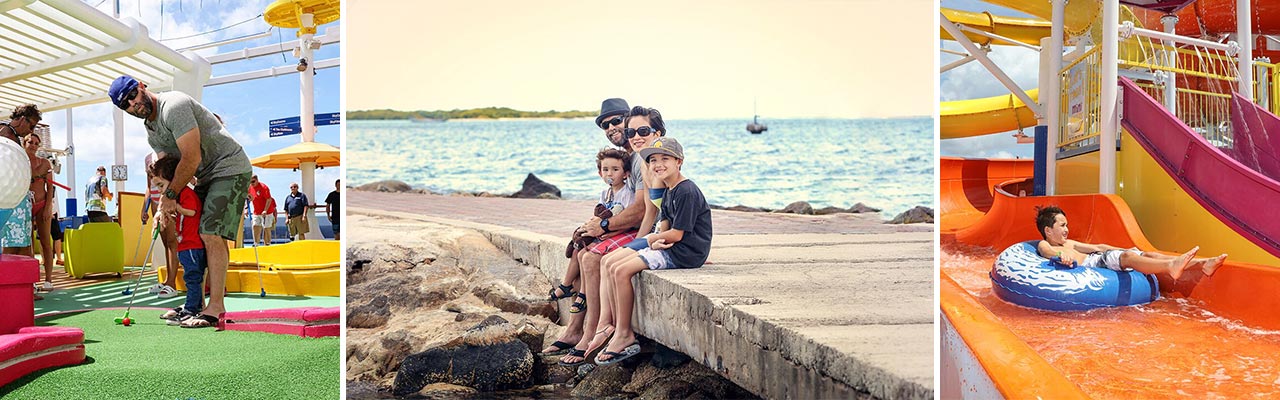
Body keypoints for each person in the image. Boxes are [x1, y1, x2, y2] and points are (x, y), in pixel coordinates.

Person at [109, 75, 253, 328]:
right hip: (204, 178)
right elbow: (167, 171)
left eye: (132, 95)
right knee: (199, 235)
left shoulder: (173, 106)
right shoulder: (151, 131)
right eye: (126, 105)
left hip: (229, 167)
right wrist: (161, 208)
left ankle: (216, 306)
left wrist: (170, 197)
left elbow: (191, 157)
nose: (133, 105)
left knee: (211, 232)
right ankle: (194, 305)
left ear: (142, 85)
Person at [595, 137, 713, 365]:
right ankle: (614, 326)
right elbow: (667, 224)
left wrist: (654, 240)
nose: (658, 164)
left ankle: (624, 334)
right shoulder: (669, 187)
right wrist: (656, 240)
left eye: (665, 159)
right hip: (668, 244)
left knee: (621, 271)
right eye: (653, 160)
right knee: (610, 262)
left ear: (679, 161)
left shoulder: (686, 191)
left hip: (684, 252)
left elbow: (678, 235)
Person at [1034, 206, 1226, 280]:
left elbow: (1099, 248)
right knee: (1126, 258)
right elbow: (1047, 253)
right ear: (1048, 230)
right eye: (1062, 225)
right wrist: (1061, 255)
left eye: (1067, 225)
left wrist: (1127, 249)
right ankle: (1171, 266)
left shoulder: (1071, 243)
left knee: (1148, 255)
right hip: (1093, 265)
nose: (1067, 229)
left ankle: (1203, 264)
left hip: (1100, 258)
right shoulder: (1047, 245)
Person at [552, 148, 634, 319]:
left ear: (626, 173)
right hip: (605, 230)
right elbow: (599, 215)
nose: (609, 173)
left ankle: (582, 293)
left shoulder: (627, 194)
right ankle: (567, 285)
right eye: (605, 170)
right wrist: (587, 227)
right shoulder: (605, 193)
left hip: (619, 232)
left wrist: (610, 233)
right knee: (579, 249)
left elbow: (628, 220)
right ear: (599, 173)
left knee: (587, 255)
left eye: (615, 169)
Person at [148, 156, 207, 325]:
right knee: (190, 277)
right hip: (185, 244)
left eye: (161, 185)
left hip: (192, 244)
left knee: (192, 277)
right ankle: (192, 305)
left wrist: (176, 208)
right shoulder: (179, 196)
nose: (159, 190)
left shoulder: (186, 194)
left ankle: (191, 309)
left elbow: (192, 212)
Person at [2, 104, 41, 257]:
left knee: (23, 244)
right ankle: (9, 279)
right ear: (23, 120)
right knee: (11, 244)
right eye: (31, 126)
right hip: (9, 201)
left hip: (16, 199)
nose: (31, 131)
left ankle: (23, 278)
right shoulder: (5, 134)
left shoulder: (11, 136)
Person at [141, 152, 180, 298]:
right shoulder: (148, 158)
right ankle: (167, 281)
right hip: (156, 203)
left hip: (169, 200)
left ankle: (172, 283)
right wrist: (145, 206)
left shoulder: (170, 151)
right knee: (165, 242)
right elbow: (149, 187)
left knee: (172, 241)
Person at [24, 134, 56, 290]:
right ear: (24, 143)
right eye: (31, 142)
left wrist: (48, 207)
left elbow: (50, 187)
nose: (33, 145)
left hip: (42, 204)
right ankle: (32, 280)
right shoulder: (20, 162)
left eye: (36, 143)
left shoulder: (45, 163)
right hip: (25, 206)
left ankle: (48, 280)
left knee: (45, 242)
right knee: (28, 244)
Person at [247, 175, 276, 246]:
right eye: (250, 182)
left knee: (266, 228)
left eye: (253, 181)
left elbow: (269, 199)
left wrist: (265, 210)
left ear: (257, 180)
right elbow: (249, 197)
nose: (252, 183)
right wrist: (246, 209)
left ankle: (267, 244)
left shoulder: (264, 187)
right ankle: (256, 243)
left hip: (267, 212)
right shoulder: (250, 187)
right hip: (256, 211)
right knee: (255, 225)